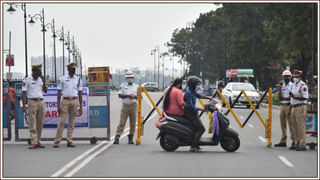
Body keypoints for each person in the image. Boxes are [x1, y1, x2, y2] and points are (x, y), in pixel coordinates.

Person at [53, 62, 83, 148]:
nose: (74, 70)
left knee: (71, 122)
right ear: (68, 69)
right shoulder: (62, 79)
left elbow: (80, 93)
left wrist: (80, 106)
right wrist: (58, 105)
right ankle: (57, 140)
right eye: (72, 69)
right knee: (62, 121)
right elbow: (58, 92)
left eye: (75, 69)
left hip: (74, 100)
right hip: (65, 101)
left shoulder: (78, 79)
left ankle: (69, 140)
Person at [21, 64, 48, 149]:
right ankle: (33, 141)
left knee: (40, 123)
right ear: (34, 71)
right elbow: (23, 93)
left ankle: (38, 141)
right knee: (32, 122)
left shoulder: (41, 79)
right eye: (39, 71)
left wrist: (44, 81)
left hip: (41, 102)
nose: (40, 73)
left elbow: (45, 91)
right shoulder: (27, 79)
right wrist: (24, 105)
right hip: (32, 102)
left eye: (41, 71)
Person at [184, 76, 211, 152]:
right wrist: (201, 109)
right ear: (192, 85)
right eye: (196, 85)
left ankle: (196, 144)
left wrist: (208, 98)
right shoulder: (188, 93)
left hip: (193, 113)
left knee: (196, 129)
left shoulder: (192, 91)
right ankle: (193, 147)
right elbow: (190, 106)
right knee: (201, 129)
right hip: (190, 114)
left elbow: (198, 95)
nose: (197, 86)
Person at [113, 71, 138, 144]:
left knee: (133, 123)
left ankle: (131, 137)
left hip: (133, 105)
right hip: (125, 106)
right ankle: (117, 137)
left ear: (133, 78)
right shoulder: (123, 85)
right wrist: (128, 96)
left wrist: (135, 96)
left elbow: (139, 96)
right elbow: (120, 95)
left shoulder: (136, 86)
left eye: (130, 78)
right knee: (122, 122)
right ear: (126, 78)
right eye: (128, 78)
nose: (129, 79)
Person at [289, 69, 308, 151]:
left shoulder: (303, 85)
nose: (295, 78)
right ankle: (297, 142)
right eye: (294, 77)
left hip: (300, 106)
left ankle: (302, 144)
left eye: (296, 77)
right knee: (294, 126)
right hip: (294, 106)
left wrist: (294, 97)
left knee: (300, 126)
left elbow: (305, 97)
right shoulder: (294, 85)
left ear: (300, 77)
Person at [275, 70, 294, 147]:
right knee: (283, 124)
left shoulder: (292, 85)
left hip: (289, 105)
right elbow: (279, 97)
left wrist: (284, 98)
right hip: (282, 106)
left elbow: (291, 96)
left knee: (291, 124)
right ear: (283, 77)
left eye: (288, 76)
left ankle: (294, 140)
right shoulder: (282, 86)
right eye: (285, 76)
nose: (286, 78)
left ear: (290, 77)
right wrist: (279, 88)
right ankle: (283, 140)